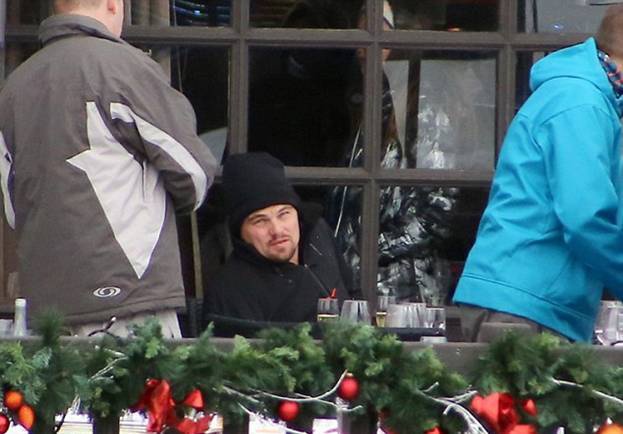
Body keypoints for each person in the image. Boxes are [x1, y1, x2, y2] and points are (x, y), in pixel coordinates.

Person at [0, 0, 217, 337]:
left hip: (45, 311)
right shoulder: (126, 68)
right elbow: (193, 175)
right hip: (130, 298)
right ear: (115, 5)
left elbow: (13, 209)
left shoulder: (14, 88)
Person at [453, 4, 623, 343]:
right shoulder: (581, 102)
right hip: (525, 305)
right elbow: (587, 217)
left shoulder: (588, 100)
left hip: (527, 299)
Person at [327, 1, 456, 305]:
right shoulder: (371, 109)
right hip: (358, 285)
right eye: (360, 36)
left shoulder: (421, 114)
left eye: (376, 37)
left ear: (402, 44)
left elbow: (438, 210)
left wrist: (372, 248)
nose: (362, 49)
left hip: (404, 292)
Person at [203, 152, 353, 323]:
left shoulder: (319, 237)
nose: (277, 230)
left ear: (297, 214)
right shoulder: (230, 291)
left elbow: (353, 297)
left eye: (284, 214)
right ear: (240, 233)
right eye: (260, 221)